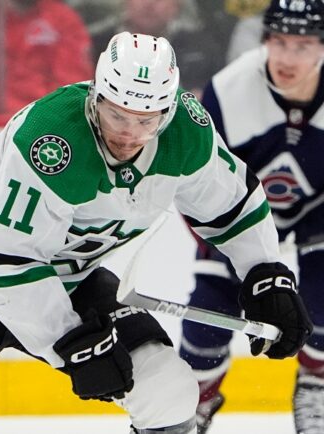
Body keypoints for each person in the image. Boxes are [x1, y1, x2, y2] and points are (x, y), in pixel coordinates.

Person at [0, 31, 313, 434]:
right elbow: (8, 264)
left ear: (167, 112)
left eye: (145, 120)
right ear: (96, 96)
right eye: (116, 115)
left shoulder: (184, 133)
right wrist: (70, 343)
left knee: (168, 389)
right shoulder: (52, 139)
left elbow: (235, 204)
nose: (128, 134)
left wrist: (265, 272)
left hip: (69, 280)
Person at [178, 1, 324, 433]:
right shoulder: (229, 90)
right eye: (278, 42)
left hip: (318, 212)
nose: (287, 58)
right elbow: (200, 185)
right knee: (207, 313)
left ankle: (316, 385)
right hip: (239, 215)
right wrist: (245, 255)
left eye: (302, 45)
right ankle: (195, 401)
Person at [91, 0, 226, 95]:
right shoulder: (97, 45)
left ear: (176, 6)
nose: (149, 4)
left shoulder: (202, 47)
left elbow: (220, 94)